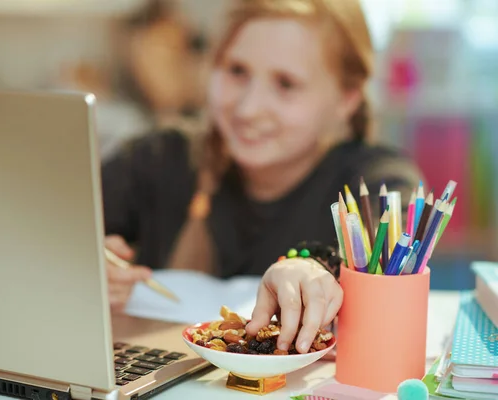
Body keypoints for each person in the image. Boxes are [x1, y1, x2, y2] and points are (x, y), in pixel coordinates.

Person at [102, 0, 422, 352]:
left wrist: (313, 269)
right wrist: (82, 262)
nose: (249, 108)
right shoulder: (156, 158)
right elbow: (49, 229)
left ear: (347, 98)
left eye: (286, 84)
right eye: (237, 71)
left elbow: (389, 265)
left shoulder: (378, 181)